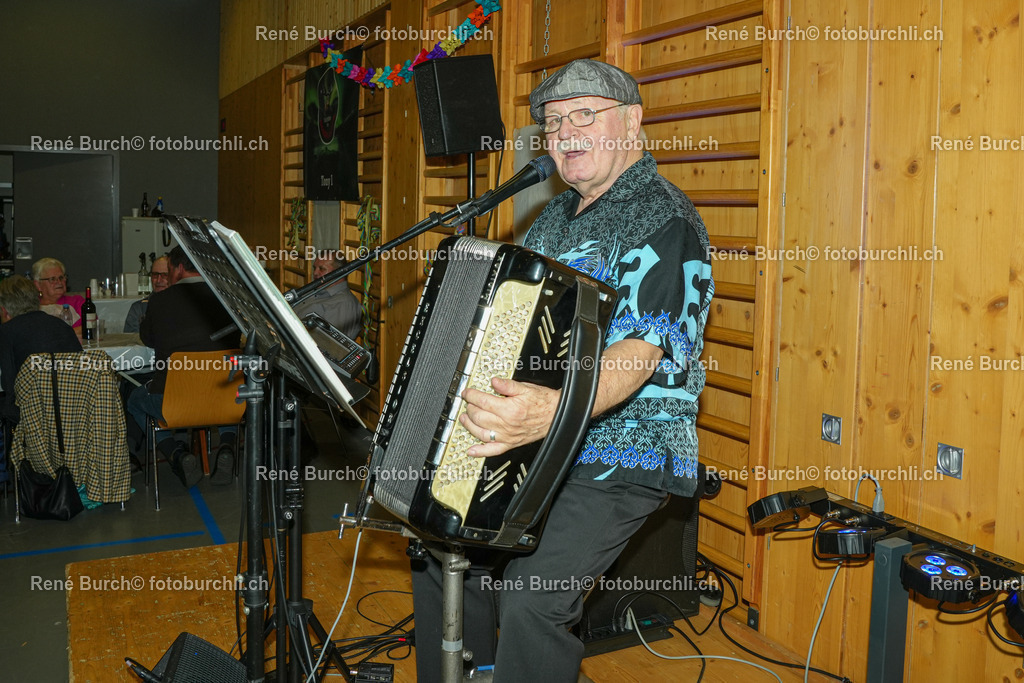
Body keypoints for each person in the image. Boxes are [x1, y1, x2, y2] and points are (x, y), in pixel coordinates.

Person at [409, 59, 714, 682]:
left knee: (534, 596)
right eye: (553, 122)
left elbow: (636, 356)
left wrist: (546, 412)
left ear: (632, 123)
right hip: (541, 443)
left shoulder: (666, 220)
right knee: (440, 545)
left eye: (584, 115)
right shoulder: (555, 217)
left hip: (624, 453)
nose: (566, 132)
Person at [126, 247, 241, 488]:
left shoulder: (159, 301)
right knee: (228, 383)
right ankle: (227, 445)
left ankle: (177, 454)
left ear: (178, 269)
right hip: (223, 398)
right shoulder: (227, 297)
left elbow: (147, 338)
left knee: (134, 398)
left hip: (173, 403)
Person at [0, 275, 82, 424]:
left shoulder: (7, 332)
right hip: (73, 408)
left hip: (33, 413)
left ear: (4, 309)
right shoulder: (62, 326)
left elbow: (8, 385)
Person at [293, 252, 362, 340]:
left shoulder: (344, 302)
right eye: (315, 268)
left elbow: (329, 343)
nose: (315, 273)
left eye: (321, 269)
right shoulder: (315, 292)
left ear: (339, 272)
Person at [32, 258, 85, 333]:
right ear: (38, 285)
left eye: (61, 277)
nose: (59, 282)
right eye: (52, 279)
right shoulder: (31, 306)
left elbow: (90, 326)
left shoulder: (77, 302)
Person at [123, 255, 170, 333]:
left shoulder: (183, 307)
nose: (158, 280)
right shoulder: (139, 309)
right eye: (155, 275)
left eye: (164, 275)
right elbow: (131, 341)